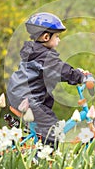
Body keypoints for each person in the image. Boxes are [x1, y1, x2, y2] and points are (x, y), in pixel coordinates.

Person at [7, 12, 87, 145]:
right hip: (27, 98)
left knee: (44, 129)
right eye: (57, 36)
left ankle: (39, 148)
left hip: (21, 94)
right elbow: (60, 70)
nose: (59, 40)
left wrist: (77, 73)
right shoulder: (43, 56)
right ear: (45, 37)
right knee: (52, 130)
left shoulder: (37, 53)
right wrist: (79, 76)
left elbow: (57, 69)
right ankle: (44, 158)